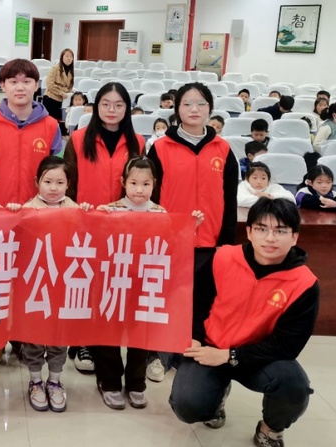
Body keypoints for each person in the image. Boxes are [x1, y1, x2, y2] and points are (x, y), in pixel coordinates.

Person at [169, 198, 319, 447]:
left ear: (294, 237)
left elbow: (288, 345)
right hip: (210, 348)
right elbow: (195, 302)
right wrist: (194, 335)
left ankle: (270, 430)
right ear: (249, 232)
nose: (270, 238)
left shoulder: (305, 284)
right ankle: (215, 400)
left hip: (261, 358)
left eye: (280, 231)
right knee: (187, 405)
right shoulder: (222, 258)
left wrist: (231, 356)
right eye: (262, 229)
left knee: (294, 386)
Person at [147, 82, 238, 378]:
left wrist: (226, 243)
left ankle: (188, 355)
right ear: (177, 109)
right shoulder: (160, 147)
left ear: (210, 108)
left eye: (201, 103)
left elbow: (230, 199)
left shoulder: (223, 149)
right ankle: (158, 355)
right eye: (187, 103)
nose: (194, 109)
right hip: (170, 240)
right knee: (167, 298)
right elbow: (151, 196)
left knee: (200, 302)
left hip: (210, 241)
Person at [97, 157, 204, 395]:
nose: (139, 189)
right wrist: (97, 219)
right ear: (123, 182)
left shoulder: (160, 212)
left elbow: (170, 245)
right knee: (110, 333)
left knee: (141, 335)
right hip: (115, 281)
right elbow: (98, 242)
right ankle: (109, 381)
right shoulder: (110, 209)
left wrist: (190, 226)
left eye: (146, 184)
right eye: (133, 183)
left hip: (144, 284)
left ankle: (136, 382)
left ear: (154, 184)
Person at [63, 81, 144, 375]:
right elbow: (69, 182)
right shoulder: (78, 138)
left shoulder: (138, 143)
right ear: (96, 107)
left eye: (119, 105)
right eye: (106, 104)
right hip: (85, 225)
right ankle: (82, 342)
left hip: (123, 228)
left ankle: (106, 342)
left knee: (112, 287)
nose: (112, 110)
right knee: (85, 285)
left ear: (127, 109)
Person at [2, 156, 88, 412]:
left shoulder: (76, 209)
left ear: (68, 184)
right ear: (37, 182)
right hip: (35, 286)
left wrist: (89, 215)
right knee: (34, 338)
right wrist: (12, 215)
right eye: (47, 181)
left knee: (59, 337)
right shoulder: (26, 209)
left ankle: (55, 381)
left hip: (63, 286)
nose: (53, 188)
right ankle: (36, 381)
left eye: (60, 182)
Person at [0, 59, 62, 205]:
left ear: (36, 85)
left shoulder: (51, 125)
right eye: (13, 82)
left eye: (26, 82)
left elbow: (59, 171)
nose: (20, 88)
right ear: (3, 85)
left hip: (38, 210)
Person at [42, 49, 74, 132]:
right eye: (67, 56)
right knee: (51, 124)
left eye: (71, 57)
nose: (69, 58)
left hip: (63, 100)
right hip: (51, 98)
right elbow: (50, 84)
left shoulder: (70, 71)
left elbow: (70, 86)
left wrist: (69, 92)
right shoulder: (55, 68)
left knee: (59, 125)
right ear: (62, 57)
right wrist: (61, 92)